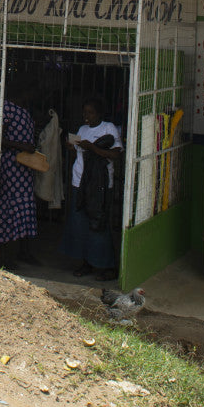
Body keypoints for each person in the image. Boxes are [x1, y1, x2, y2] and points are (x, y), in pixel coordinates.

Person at [59, 97, 123, 281]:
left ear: (99, 114)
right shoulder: (82, 130)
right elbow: (78, 154)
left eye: (90, 113)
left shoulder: (108, 129)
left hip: (99, 185)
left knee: (99, 224)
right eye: (84, 113)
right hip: (80, 182)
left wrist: (92, 147)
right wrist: (71, 147)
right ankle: (86, 262)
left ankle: (106, 265)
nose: (86, 116)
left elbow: (115, 155)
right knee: (81, 224)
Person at [0, 85, 39, 269]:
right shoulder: (6, 109)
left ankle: (22, 252)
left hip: (22, 168)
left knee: (24, 208)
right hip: (11, 167)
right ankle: (4, 258)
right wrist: (21, 146)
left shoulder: (21, 110)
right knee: (10, 210)